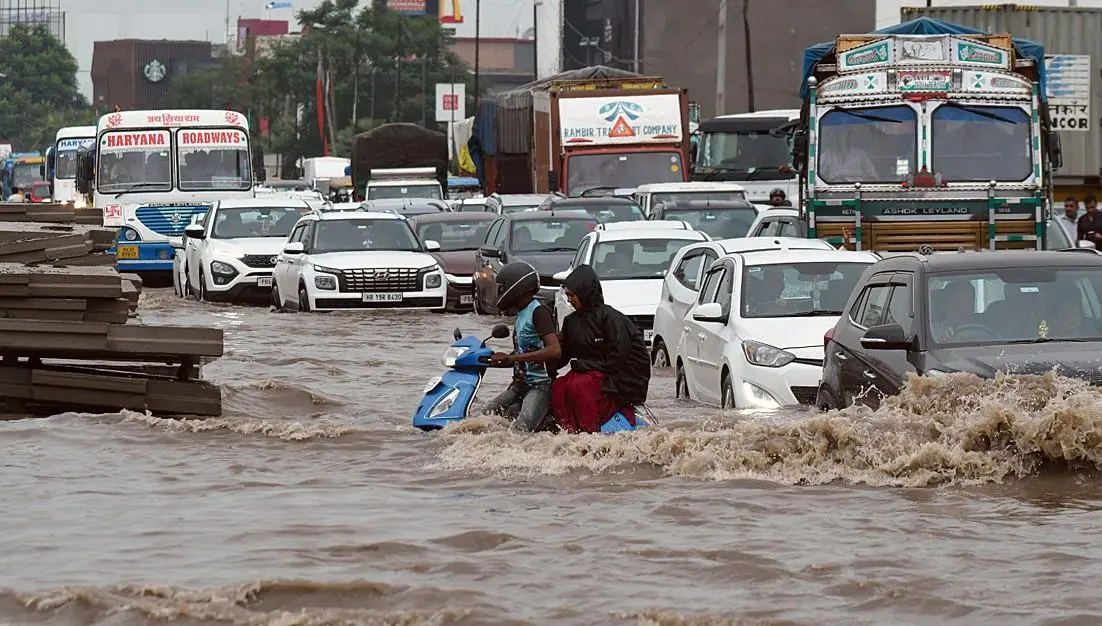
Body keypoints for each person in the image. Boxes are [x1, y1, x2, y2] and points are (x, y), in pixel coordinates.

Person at [551, 265, 650, 433]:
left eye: (572, 295)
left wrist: (586, 365)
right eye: (567, 296)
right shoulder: (571, 322)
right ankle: (568, 432)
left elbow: (618, 357)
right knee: (559, 387)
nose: (569, 300)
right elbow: (562, 353)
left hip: (620, 377)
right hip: (591, 373)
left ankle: (590, 430)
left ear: (585, 293)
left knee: (579, 385)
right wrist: (542, 362)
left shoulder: (611, 318)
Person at [482, 262, 561, 432]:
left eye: (503, 287)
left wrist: (512, 358)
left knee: (521, 428)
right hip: (519, 385)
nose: (500, 292)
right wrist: (493, 360)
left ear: (516, 288)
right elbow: (522, 352)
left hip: (540, 385)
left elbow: (554, 350)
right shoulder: (520, 315)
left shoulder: (539, 312)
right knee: (486, 417)